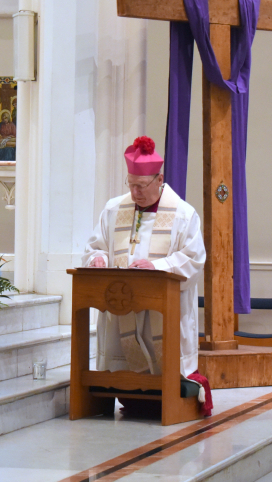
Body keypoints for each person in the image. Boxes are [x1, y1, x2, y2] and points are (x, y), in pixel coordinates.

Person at [83, 136, 210, 411]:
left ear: (159, 179)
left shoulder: (183, 215)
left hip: (161, 309)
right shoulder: (114, 209)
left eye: (140, 186)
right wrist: (98, 259)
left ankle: (166, 400)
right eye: (130, 185)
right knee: (122, 359)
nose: (134, 192)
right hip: (121, 304)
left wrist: (159, 267)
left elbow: (194, 258)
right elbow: (96, 246)